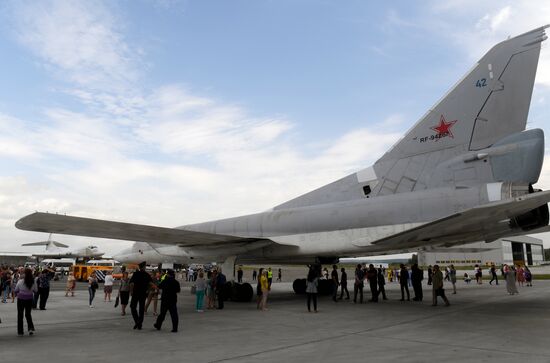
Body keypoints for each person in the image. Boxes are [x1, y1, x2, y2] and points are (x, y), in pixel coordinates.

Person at [130, 261, 154, 330]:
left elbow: (131, 284)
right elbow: (150, 284)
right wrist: (149, 290)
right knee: (141, 309)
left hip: (135, 293)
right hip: (143, 294)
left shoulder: (135, 274)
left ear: (139, 267)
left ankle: (137, 321)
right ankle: (139, 323)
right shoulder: (147, 274)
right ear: (144, 267)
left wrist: (131, 292)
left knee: (133, 307)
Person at [14, 268, 37, 336]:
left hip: (21, 299)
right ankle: (30, 329)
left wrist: (17, 293)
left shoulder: (20, 281)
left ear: (24, 274)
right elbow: (36, 290)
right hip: (29, 299)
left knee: (20, 315)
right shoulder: (33, 281)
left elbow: (16, 290)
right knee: (28, 314)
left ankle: (20, 331)